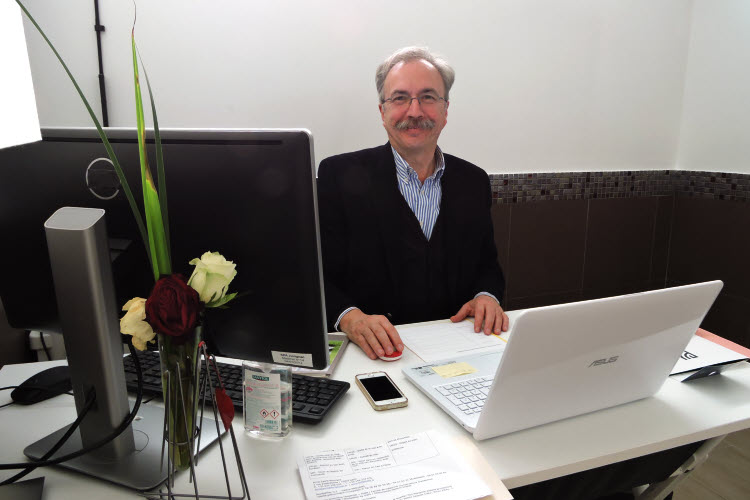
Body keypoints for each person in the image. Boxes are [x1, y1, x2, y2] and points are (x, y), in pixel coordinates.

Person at [317, 46, 508, 360]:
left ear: (446, 110)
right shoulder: (339, 176)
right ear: (383, 112)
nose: (415, 111)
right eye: (400, 98)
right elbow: (319, 276)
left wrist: (486, 296)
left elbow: (487, 265)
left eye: (428, 97)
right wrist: (350, 317)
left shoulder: (473, 181)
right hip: (372, 356)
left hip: (458, 352)